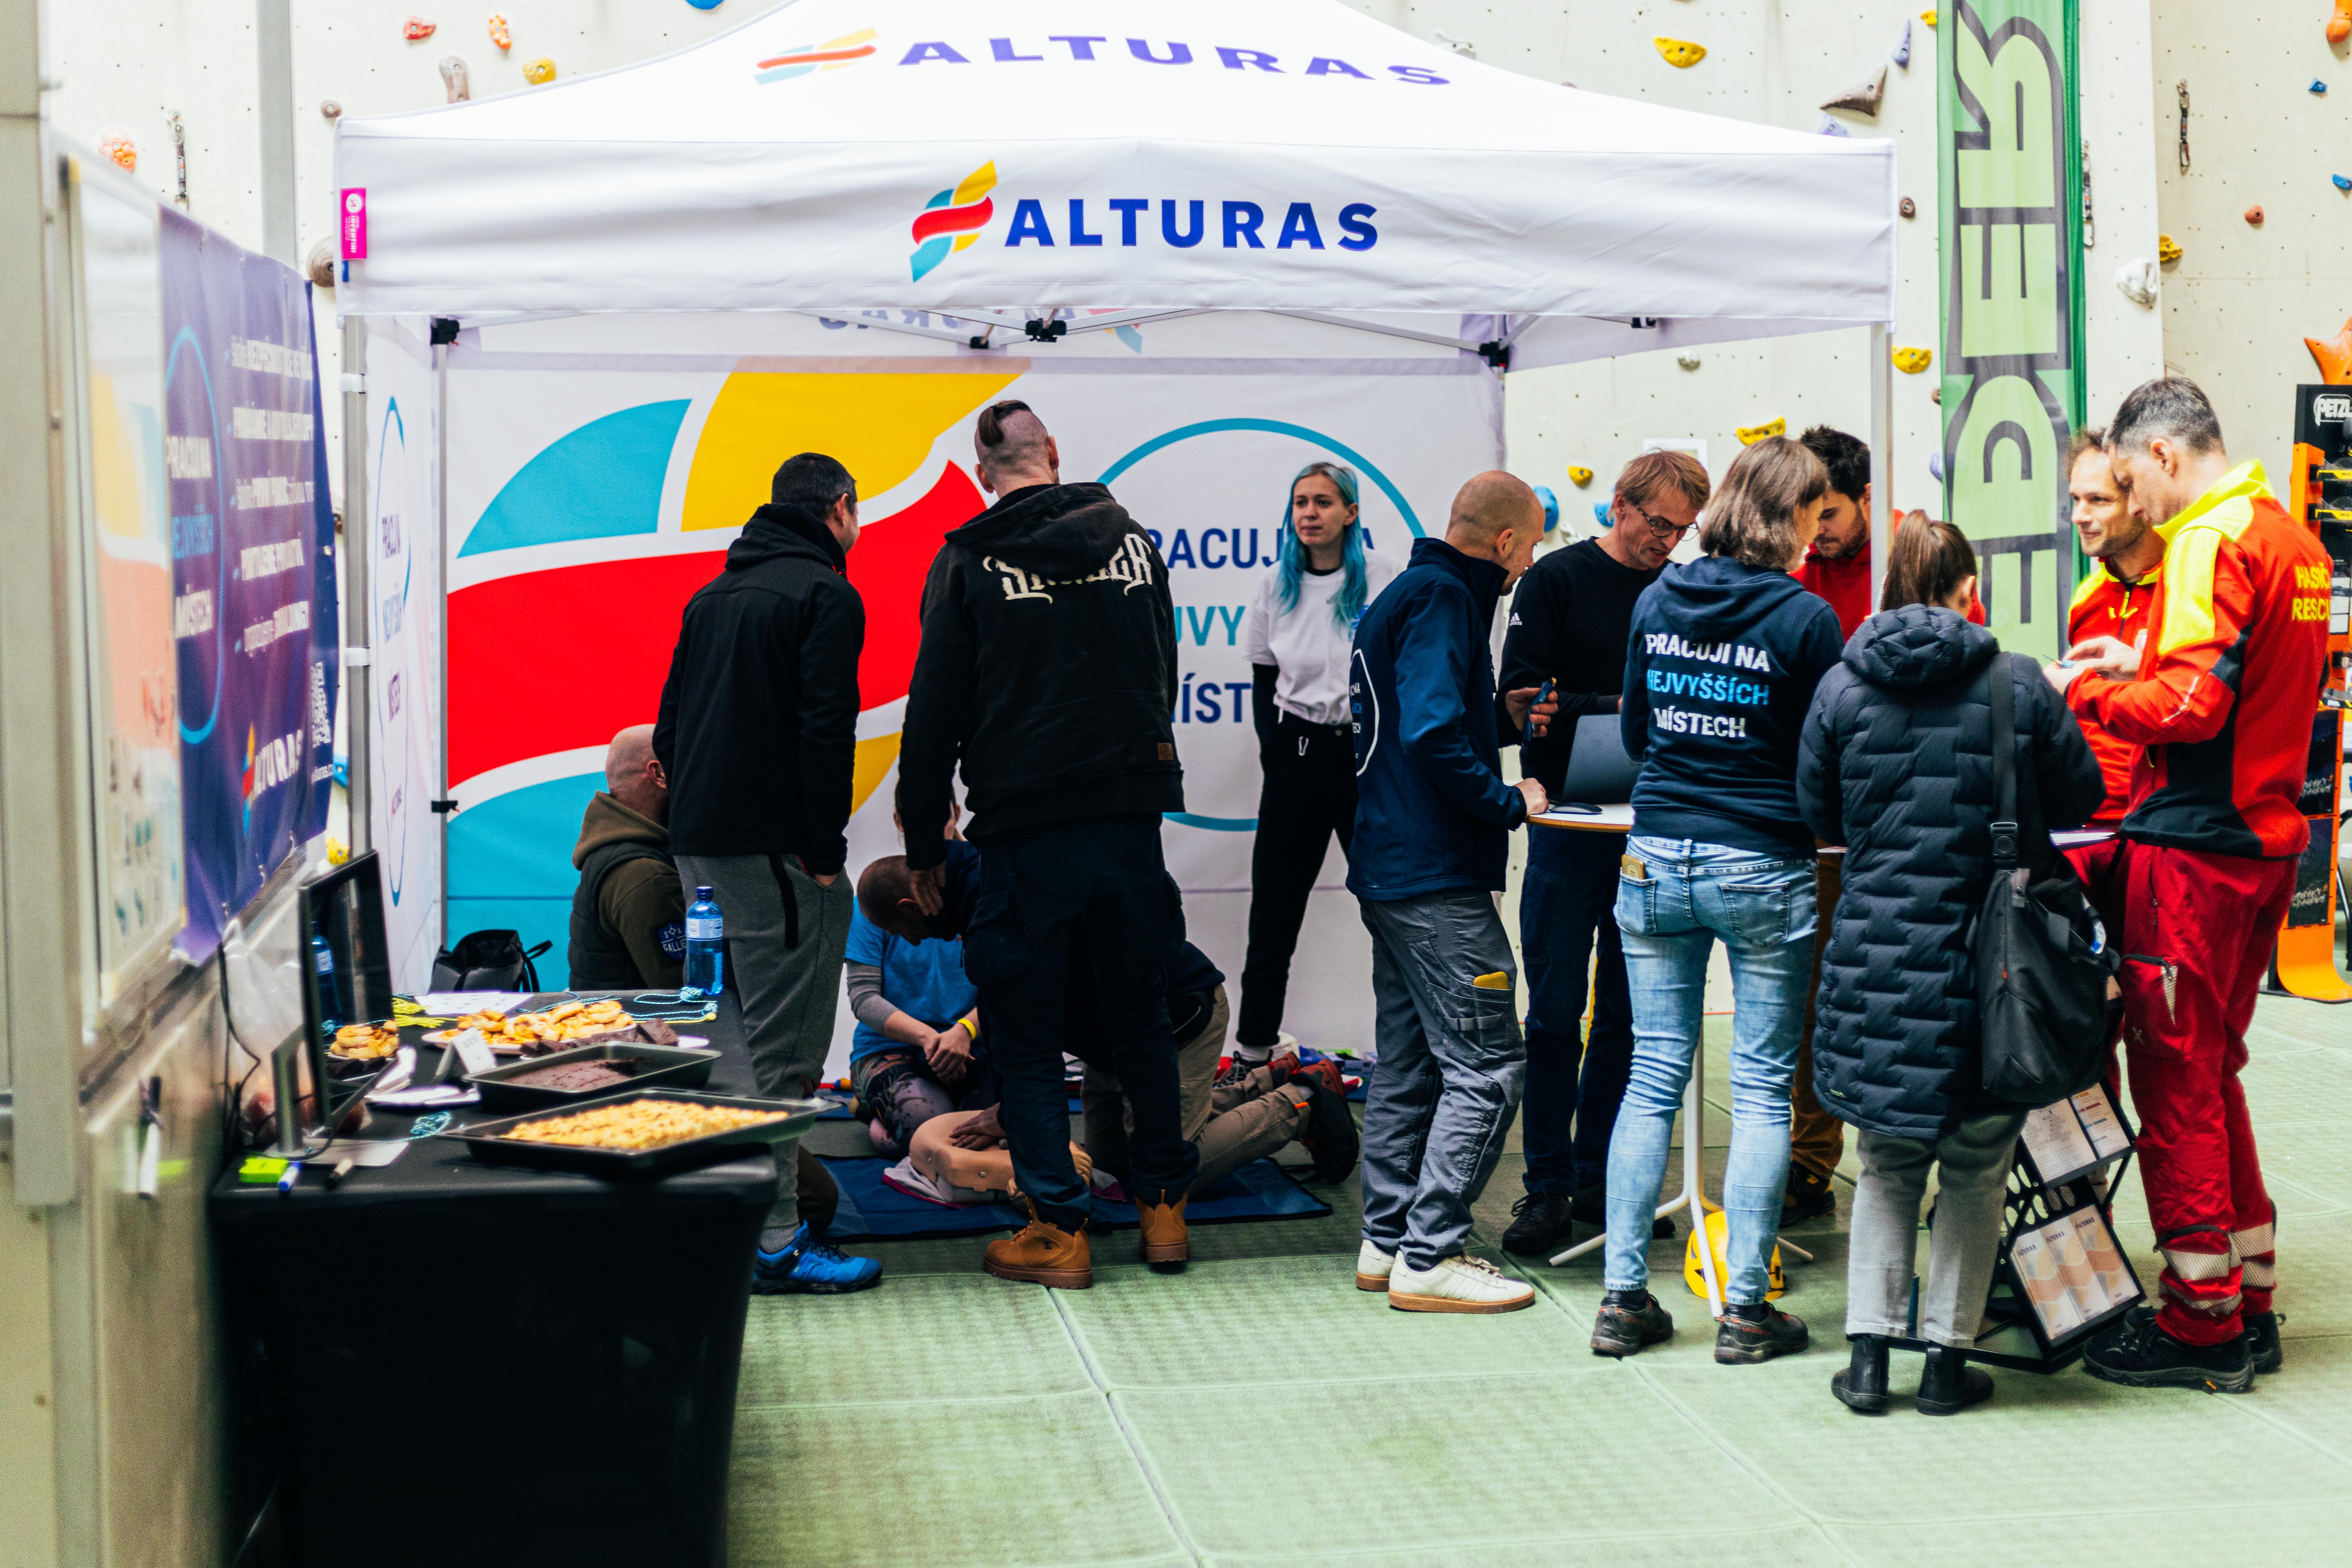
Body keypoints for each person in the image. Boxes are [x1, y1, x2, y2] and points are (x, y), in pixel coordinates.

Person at [2053, 377, 2330, 1392]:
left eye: (2127, 482)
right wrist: (2142, 659)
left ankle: (2200, 1322)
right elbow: (2242, 680)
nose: (2130, 503)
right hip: (2265, 844)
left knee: (2175, 1082)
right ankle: (2246, 1297)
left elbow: (2189, 711)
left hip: (2193, 853)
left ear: (2164, 456)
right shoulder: (2291, 539)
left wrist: (2083, 686)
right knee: (2215, 1073)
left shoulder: (2209, 540)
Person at [1799, 518, 2104, 1416]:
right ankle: (1945, 1362)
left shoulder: (1841, 685)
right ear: (1970, 589)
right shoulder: (2017, 683)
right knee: (1976, 1162)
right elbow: (2083, 795)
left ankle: (1867, 1360)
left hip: (1877, 952)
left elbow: (1818, 813)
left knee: (1887, 1159)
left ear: (1892, 586)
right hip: (1991, 963)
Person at [895, 400, 1197, 1288]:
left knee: (1025, 1031)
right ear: (1054, 454)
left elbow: (934, 710)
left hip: (1028, 824)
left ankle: (1058, 1232)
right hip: (1131, 814)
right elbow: (1163, 668)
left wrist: (925, 839)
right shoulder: (1135, 543)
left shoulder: (967, 560)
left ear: (981, 473)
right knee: (1138, 1013)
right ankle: (1164, 1212)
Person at [1589, 435, 1840, 1365]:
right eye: (1814, 516)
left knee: (1652, 1074)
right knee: (1765, 1087)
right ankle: (1745, 1311)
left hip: (1656, 853)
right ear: (1789, 516)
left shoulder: (1658, 598)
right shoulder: (1806, 618)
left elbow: (1636, 732)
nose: (1818, 534)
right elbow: (1821, 756)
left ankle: (1623, 1300)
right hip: (1762, 860)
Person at [652, 450, 876, 1296]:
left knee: (729, 1040)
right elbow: (826, 730)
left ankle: (728, 1224)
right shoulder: (826, 594)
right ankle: (777, 1243)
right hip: (776, 856)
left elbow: (669, 730)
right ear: (840, 508)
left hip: (698, 847)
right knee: (782, 1052)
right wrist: (823, 854)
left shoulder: (712, 595)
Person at [1348, 471, 1557, 1314]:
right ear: (1505, 542)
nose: (1529, 563)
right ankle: (1430, 1254)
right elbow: (1431, 733)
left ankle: (1388, 1240)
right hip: (1436, 878)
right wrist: (1510, 800)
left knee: (1409, 1068)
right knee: (1490, 1067)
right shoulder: (1446, 599)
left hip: (1393, 871)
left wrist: (1499, 717)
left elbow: (1424, 720)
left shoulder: (1406, 594)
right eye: (1531, 546)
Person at [1494, 450, 1709, 1256]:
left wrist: (1592, 709)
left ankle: (1601, 1178)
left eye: (1682, 530)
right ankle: (1547, 1186)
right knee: (1554, 1013)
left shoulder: (1680, 592)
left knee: (1627, 1012)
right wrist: (1623, 708)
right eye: (1658, 523)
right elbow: (1526, 702)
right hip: (1565, 825)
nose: (1667, 541)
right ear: (1617, 504)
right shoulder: (1555, 581)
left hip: (1650, 828)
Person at [1786, 428, 1983, 1231]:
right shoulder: (1800, 567)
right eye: (1807, 515)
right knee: (1817, 1001)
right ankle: (1810, 1162)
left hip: (1920, 823)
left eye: (1829, 512)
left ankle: (1934, 1170)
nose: (1817, 531)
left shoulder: (1918, 559)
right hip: (1839, 827)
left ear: (1868, 497)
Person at [568, 722, 842, 1239]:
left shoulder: (618, 854)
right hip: (644, 1083)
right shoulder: (645, 876)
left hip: (626, 1067)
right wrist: (776, 1064)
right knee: (813, 1201)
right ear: (659, 773)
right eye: (688, 767)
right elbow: (694, 1004)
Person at [905, 934, 1355, 1202]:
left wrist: (1010, 1114)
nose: (907, 939)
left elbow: (1036, 1064)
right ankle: (1263, 1082)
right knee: (1107, 1166)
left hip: (1176, 1019)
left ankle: (1301, 1100)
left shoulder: (1018, 917)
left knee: (1162, 1177)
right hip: (1111, 1037)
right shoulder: (989, 926)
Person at [1234, 461, 1405, 1070]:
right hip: (1297, 759)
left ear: (1351, 513)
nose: (1309, 514)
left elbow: (1401, 666)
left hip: (1365, 760)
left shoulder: (1384, 575)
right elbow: (1263, 678)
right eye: (1301, 502)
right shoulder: (1274, 584)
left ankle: (1408, 1050)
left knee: (1393, 910)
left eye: (1324, 502)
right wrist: (1275, 753)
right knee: (1273, 916)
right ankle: (1253, 1049)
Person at [846, 801, 986, 1159]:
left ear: (956, 814)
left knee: (991, 1128)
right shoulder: (876, 897)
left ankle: (891, 1113)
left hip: (973, 1045)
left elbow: (1008, 988)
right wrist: (932, 1040)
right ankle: (880, 1113)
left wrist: (964, 1032)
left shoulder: (983, 894)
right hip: (893, 1048)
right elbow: (864, 998)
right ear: (898, 820)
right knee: (928, 1129)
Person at [2065, 426, 2165, 826]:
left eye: (2098, 500)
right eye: (2075, 499)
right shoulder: (2087, 596)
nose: (2079, 516)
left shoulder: (2185, 588)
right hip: (2084, 822)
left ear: (2140, 499)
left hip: (2156, 824)